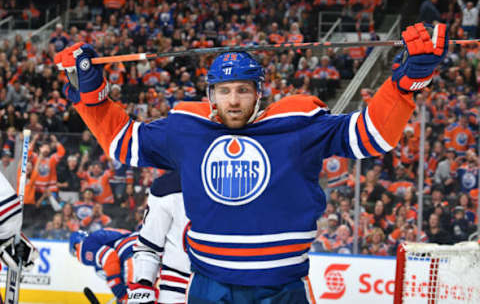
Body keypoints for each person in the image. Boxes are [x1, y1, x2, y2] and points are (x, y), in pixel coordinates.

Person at [56, 22, 448, 303]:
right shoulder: (187, 129)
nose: (233, 101)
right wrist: (92, 94)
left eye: (243, 90)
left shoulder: (297, 124)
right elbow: (123, 142)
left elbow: (371, 136)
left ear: (259, 93)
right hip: (210, 286)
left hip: (283, 288)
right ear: (211, 95)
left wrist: (405, 83)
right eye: (224, 91)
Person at [129, 171, 190, 304]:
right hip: (176, 292)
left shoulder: (243, 185)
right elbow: (149, 246)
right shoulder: (169, 186)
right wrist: (143, 285)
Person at [69, 228, 138, 302]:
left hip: (132, 254)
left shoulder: (84, 246)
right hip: (143, 247)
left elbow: (109, 257)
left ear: (75, 245)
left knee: (131, 299)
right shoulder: (101, 235)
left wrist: (115, 285)